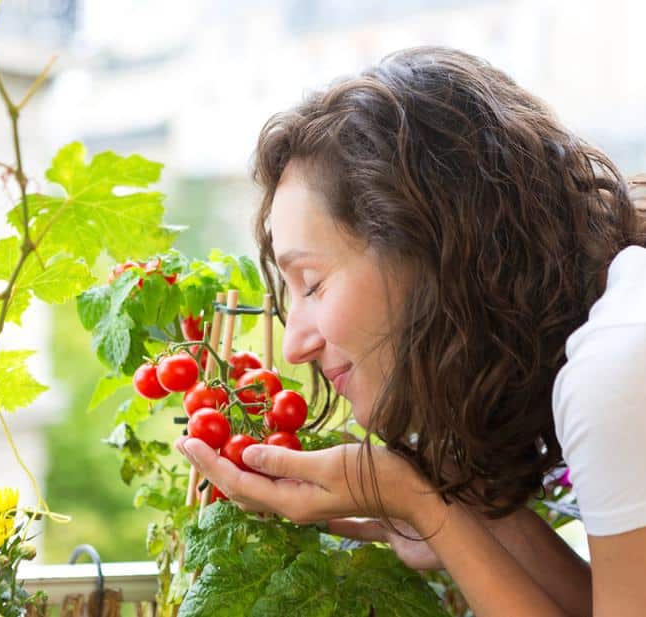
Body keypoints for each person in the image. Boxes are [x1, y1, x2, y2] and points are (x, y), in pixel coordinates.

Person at [175, 46, 646, 616]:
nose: (295, 341)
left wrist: (424, 504)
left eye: (313, 282)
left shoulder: (616, 366)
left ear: (429, 246)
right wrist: (454, 501)